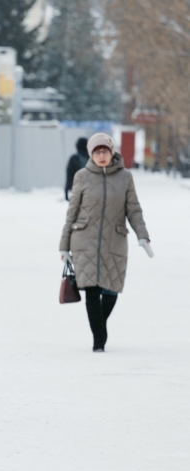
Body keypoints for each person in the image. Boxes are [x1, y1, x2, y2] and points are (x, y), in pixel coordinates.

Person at [59, 133, 153, 352]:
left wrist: (143, 235)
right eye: (97, 151)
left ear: (112, 152)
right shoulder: (82, 176)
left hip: (115, 240)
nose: (101, 155)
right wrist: (64, 245)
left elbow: (134, 210)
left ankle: (99, 327)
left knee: (110, 291)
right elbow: (71, 213)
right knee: (91, 290)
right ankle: (98, 340)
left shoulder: (125, 177)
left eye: (105, 151)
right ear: (91, 154)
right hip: (84, 241)